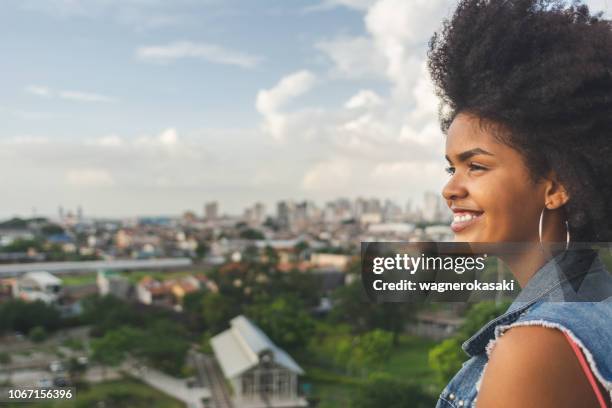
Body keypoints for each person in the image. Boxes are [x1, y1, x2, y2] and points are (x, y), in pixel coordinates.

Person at [427, 0, 612, 406]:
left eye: (475, 166)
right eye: (450, 169)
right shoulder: (596, 307)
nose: (450, 190)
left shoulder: (534, 347)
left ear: (555, 187)